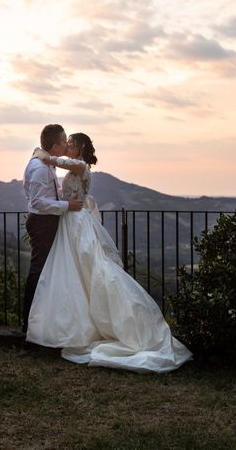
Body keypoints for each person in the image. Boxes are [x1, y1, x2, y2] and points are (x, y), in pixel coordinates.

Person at [26, 132, 192, 373]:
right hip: (69, 222)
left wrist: (41, 153)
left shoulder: (81, 166)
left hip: (77, 223)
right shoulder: (75, 167)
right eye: (66, 142)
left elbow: (58, 162)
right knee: (72, 271)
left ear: (81, 147)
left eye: (71, 143)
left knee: (90, 269)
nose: (68, 146)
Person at [22, 124, 85, 334]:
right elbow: (39, 201)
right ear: (56, 145)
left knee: (48, 271)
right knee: (39, 270)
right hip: (43, 223)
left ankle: (43, 320)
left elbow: (38, 195)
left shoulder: (45, 163)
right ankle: (29, 322)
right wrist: (67, 206)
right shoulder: (41, 167)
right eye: (64, 140)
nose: (67, 143)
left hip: (45, 221)